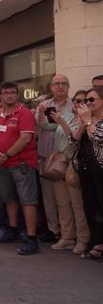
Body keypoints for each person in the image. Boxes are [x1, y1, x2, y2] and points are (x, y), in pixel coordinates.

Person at [0, 81, 39, 255]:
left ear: (17, 95)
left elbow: (25, 139)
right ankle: (12, 230)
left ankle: (31, 238)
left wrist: (7, 154)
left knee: (28, 201)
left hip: (22, 164)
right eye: (6, 92)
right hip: (3, 164)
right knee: (9, 199)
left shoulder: (24, 113)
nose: (9, 95)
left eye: (12, 92)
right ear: (0, 96)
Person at [49, 89, 90, 253]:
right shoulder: (65, 116)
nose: (76, 104)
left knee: (77, 204)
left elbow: (73, 140)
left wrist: (62, 123)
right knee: (62, 203)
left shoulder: (87, 121)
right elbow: (47, 127)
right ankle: (67, 237)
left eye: (81, 101)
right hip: (60, 162)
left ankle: (83, 238)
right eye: (75, 100)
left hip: (74, 164)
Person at [35, 74, 73, 243]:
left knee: (67, 198)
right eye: (57, 84)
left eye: (64, 84)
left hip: (67, 157)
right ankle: (53, 230)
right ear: (51, 87)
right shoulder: (43, 106)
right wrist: (41, 111)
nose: (60, 87)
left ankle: (69, 232)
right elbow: (38, 126)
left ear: (68, 87)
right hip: (46, 156)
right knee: (48, 197)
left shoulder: (74, 106)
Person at [71, 86, 103, 259]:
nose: (87, 103)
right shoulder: (86, 119)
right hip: (86, 167)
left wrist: (89, 122)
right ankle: (97, 243)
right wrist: (83, 123)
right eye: (86, 100)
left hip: (101, 169)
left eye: (91, 100)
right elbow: (72, 141)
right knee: (91, 207)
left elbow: (99, 139)